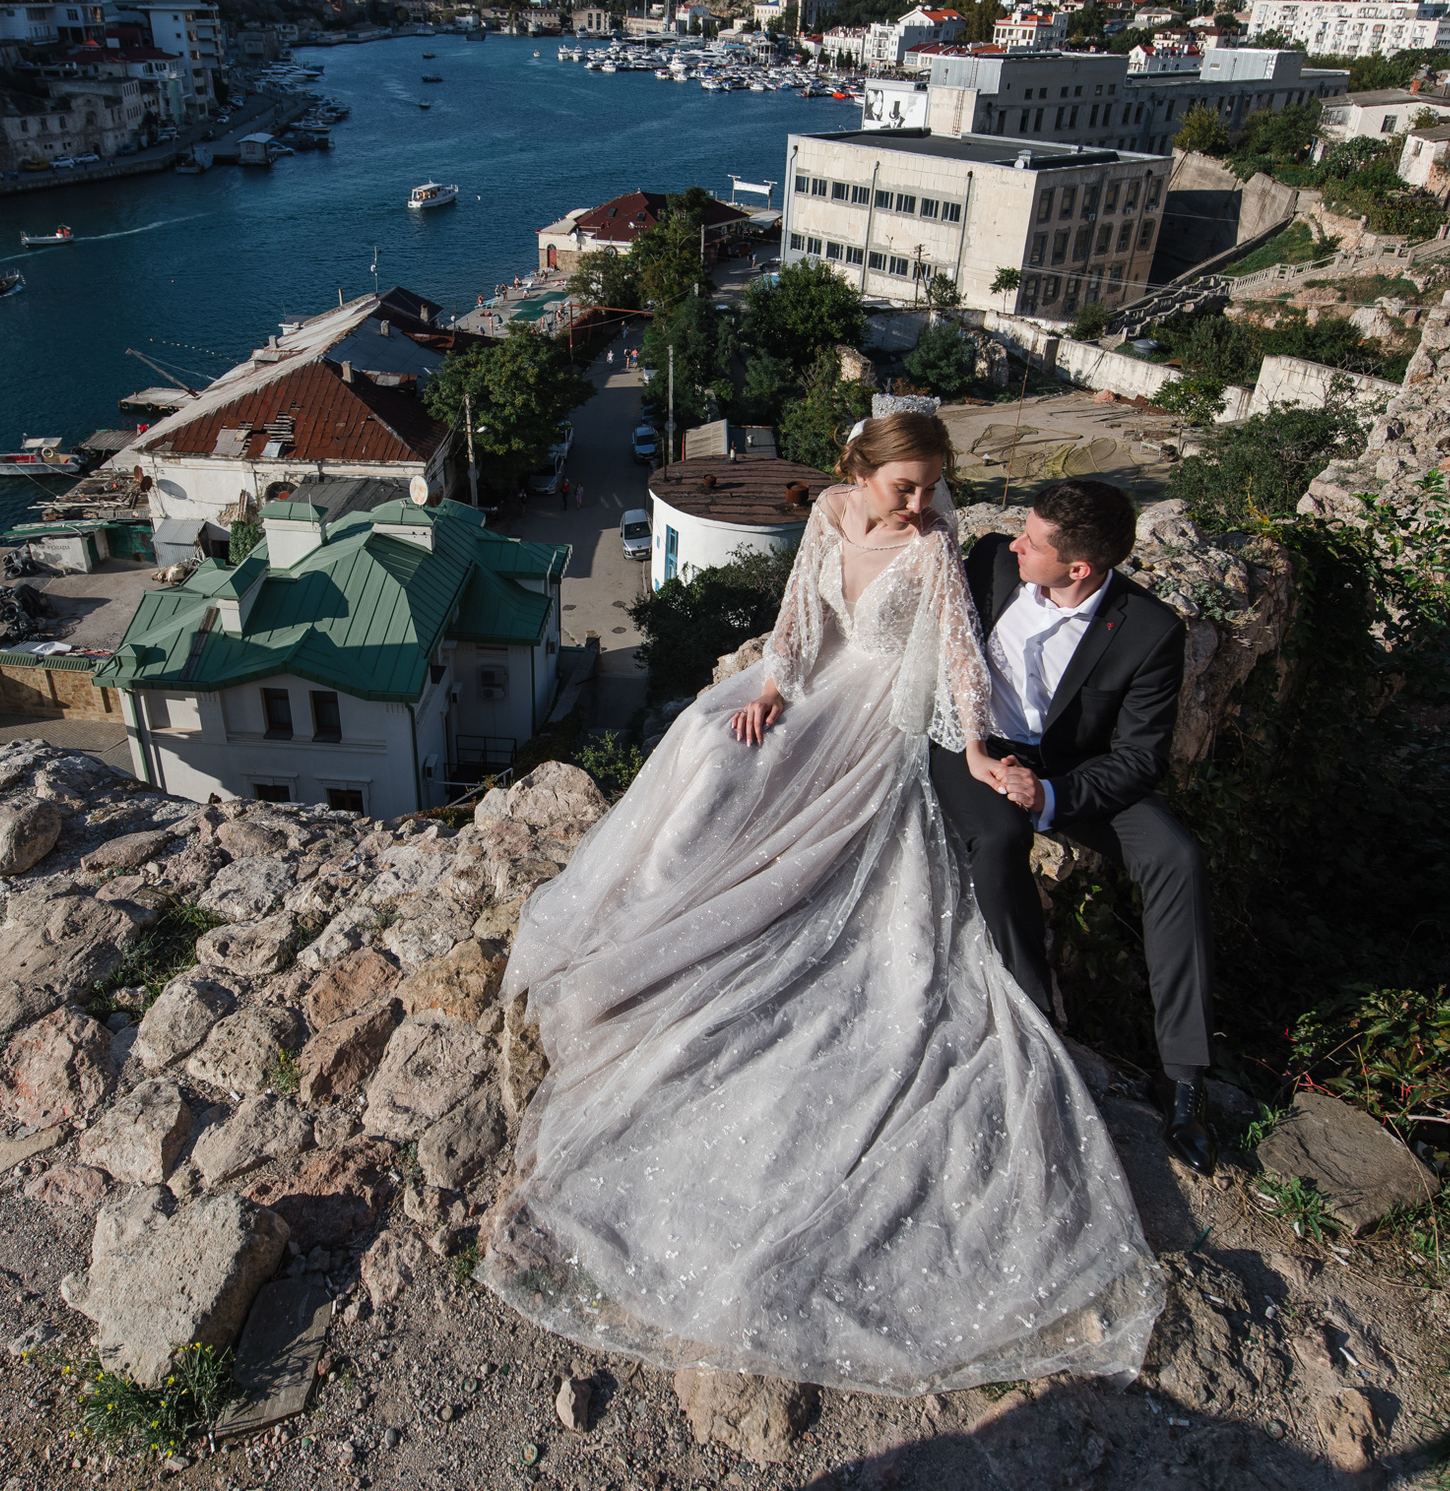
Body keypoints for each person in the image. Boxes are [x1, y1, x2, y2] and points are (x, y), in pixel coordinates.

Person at [482, 412, 1161, 1396]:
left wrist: (972, 743)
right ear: (862, 473)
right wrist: (774, 684)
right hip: (814, 684)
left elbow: (961, 650)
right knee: (713, 738)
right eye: (906, 485)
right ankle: (659, 907)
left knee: (769, 797)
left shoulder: (933, 544)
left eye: (931, 485)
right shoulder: (832, 510)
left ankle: (715, 919)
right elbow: (801, 614)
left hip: (879, 716)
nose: (922, 502)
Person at [927, 479, 1217, 1174]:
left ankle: (1185, 1077)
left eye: (1032, 539)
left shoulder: (1150, 630)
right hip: (976, 748)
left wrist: (1052, 793)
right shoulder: (993, 563)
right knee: (998, 841)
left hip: (1077, 773)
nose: (1013, 540)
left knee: (1176, 856)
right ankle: (1038, 1029)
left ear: (1078, 567)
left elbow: (1140, 760)